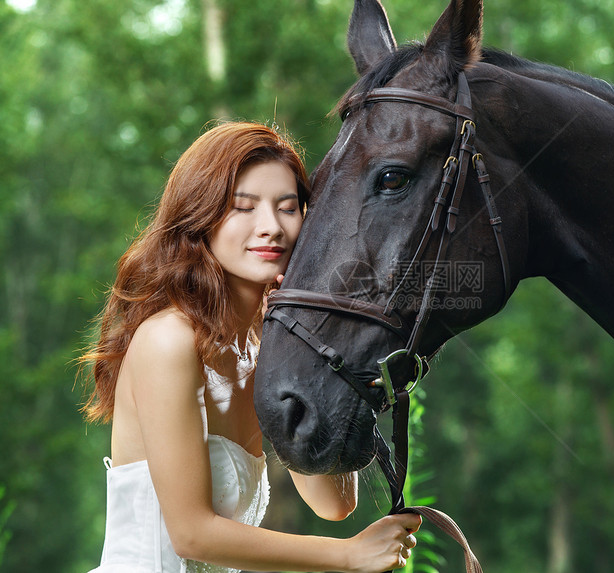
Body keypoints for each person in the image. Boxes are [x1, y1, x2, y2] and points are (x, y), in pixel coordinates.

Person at [79, 121, 420, 573]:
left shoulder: (267, 347)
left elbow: (333, 503)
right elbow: (192, 533)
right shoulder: (168, 340)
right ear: (201, 217)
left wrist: (316, 342)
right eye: (243, 208)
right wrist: (347, 554)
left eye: (287, 208)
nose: (271, 228)